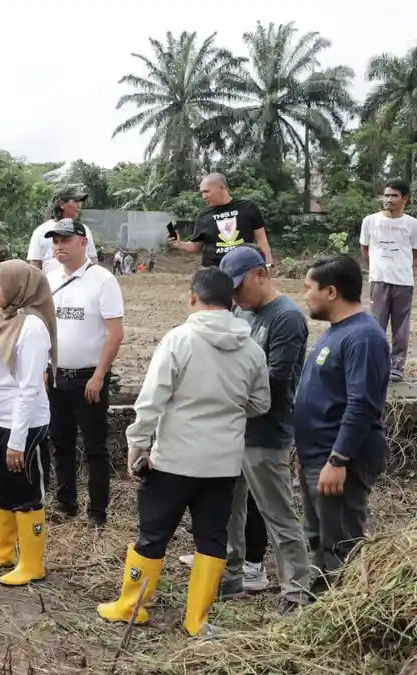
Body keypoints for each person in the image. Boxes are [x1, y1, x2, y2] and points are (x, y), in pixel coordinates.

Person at [98, 267, 269, 637]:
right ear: (230, 302)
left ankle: (131, 607)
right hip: (223, 463)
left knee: (153, 534)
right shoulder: (252, 348)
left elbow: (152, 398)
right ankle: (198, 620)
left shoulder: (180, 340)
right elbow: (260, 403)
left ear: (194, 297)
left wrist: (138, 442)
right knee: (211, 537)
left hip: (174, 459)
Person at [216, 245, 312, 614]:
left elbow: (276, 378)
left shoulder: (286, 317)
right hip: (237, 427)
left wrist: (226, 391)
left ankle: (297, 589)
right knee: (229, 508)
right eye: (232, 291)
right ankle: (230, 575)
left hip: (266, 431)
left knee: (278, 514)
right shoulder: (243, 311)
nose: (236, 297)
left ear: (261, 274)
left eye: (240, 287)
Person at [294, 254, 390, 595]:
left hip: (339, 461)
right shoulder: (338, 332)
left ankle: (343, 611)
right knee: (319, 537)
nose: (305, 295)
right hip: (317, 455)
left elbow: (362, 404)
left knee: (341, 544)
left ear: (331, 292)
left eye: (309, 288)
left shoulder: (363, 337)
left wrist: (338, 460)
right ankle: (319, 610)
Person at [0, 260, 55, 587]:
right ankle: (2, 551)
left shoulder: (32, 327)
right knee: (0, 487)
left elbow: (30, 387)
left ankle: (32, 563)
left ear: (19, 287)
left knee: (26, 491)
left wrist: (17, 440)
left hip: (21, 424)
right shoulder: (3, 319)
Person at [41, 219, 125, 529]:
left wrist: (100, 375)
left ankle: (97, 512)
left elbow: (115, 333)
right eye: (54, 241)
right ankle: (66, 502)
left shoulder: (102, 281)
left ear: (83, 242)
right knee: (60, 442)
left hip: (88, 378)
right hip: (57, 375)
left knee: (94, 447)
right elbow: (44, 328)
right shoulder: (49, 280)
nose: (58, 246)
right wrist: (44, 367)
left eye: (65, 240)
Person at [359, 178, 417, 382]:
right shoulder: (370, 221)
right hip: (379, 281)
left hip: (404, 282)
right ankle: (376, 364)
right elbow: (364, 249)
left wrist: (401, 267)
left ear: (405, 199)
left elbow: (414, 252)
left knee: (401, 328)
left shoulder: (412, 224)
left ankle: (397, 366)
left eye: (394, 195)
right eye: (386, 195)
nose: (389, 199)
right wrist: (376, 269)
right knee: (376, 325)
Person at [169, 173, 274, 268]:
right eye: (202, 193)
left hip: (243, 270)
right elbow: (196, 246)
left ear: (221, 188)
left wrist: (268, 266)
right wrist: (180, 244)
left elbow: (262, 240)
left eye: (206, 191)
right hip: (213, 272)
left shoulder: (248, 207)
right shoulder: (203, 215)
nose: (203, 196)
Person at [26, 187, 98, 274]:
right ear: (62, 205)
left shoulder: (83, 230)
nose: (79, 205)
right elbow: (35, 265)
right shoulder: (41, 231)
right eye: (75, 201)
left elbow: (93, 259)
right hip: (51, 286)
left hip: (81, 285)